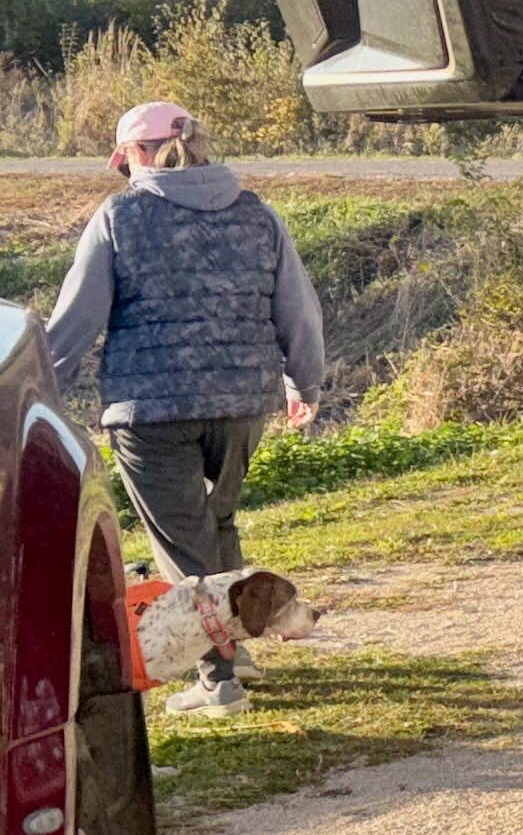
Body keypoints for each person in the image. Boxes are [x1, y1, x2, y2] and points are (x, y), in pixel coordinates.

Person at [42, 100, 326, 715]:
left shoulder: (120, 216)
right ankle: (238, 645)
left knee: (183, 545)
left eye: (124, 160)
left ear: (137, 156)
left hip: (151, 408)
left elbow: (76, 321)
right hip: (243, 402)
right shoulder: (257, 214)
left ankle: (217, 678)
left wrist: (37, 392)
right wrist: (306, 383)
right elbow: (298, 311)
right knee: (219, 526)